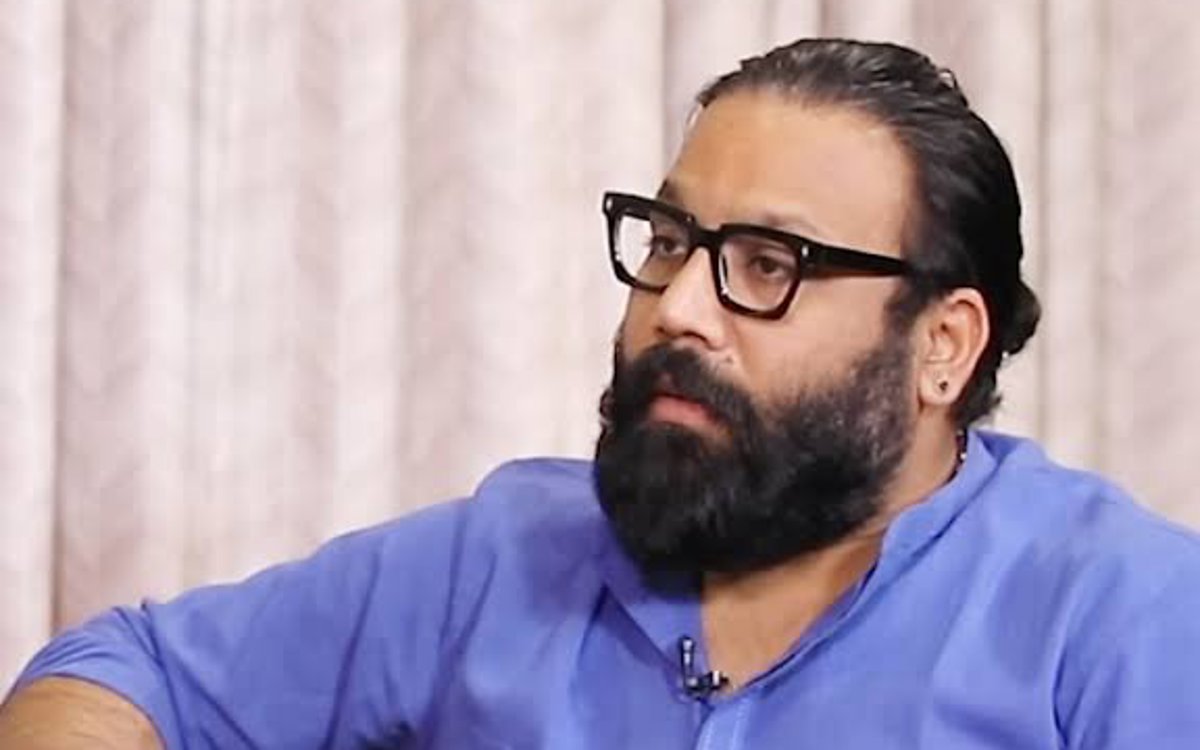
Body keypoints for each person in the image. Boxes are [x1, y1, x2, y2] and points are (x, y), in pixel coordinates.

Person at [3, 36, 1200, 749]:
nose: (678, 308)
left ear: (943, 345)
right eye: (672, 241)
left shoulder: (1120, 622)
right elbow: (125, 671)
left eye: (767, 266)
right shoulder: (503, 558)